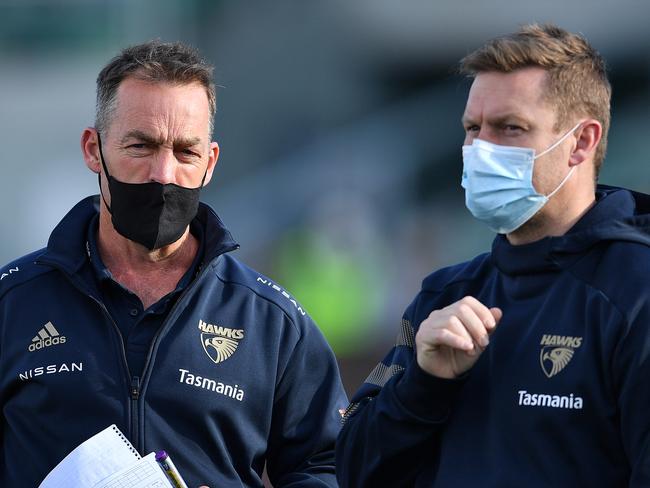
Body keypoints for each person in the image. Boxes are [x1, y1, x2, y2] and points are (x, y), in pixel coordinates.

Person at [0, 40, 347, 487]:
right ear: (93, 149)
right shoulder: (13, 303)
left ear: (210, 162)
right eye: (141, 146)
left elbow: (329, 467)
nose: (163, 174)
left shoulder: (271, 322)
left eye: (185, 151)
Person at [336, 24, 650, 487]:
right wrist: (423, 385)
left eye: (509, 128)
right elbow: (352, 470)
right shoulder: (444, 294)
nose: (480, 150)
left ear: (582, 142)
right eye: (472, 128)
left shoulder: (636, 290)